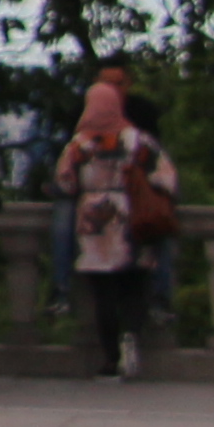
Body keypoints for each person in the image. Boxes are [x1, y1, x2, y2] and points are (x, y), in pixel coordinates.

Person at [56, 82, 174, 379]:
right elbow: (166, 178)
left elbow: (65, 182)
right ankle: (131, 334)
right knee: (134, 285)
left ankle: (110, 360)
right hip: (131, 218)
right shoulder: (138, 140)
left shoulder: (79, 145)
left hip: (93, 223)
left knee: (103, 294)